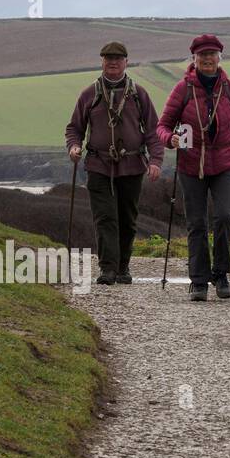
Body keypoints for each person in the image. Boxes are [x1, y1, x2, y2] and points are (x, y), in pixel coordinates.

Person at [157, 33, 230, 300]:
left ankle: (221, 275)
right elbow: (162, 126)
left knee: (225, 216)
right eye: (202, 55)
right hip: (191, 165)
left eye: (212, 55)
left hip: (225, 163)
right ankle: (199, 281)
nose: (208, 59)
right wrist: (171, 139)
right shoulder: (183, 89)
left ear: (219, 58)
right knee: (197, 222)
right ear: (194, 59)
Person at [65, 41, 163, 284]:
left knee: (127, 219)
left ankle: (123, 267)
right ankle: (107, 269)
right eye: (108, 58)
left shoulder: (139, 94)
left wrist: (156, 160)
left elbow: (153, 130)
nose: (113, 62)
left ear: (126, 62)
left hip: (131, 166)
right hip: (98, 165)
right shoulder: (89, 94)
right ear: (102, 62)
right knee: (105, 218)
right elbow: (74, 128)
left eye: (118, 58)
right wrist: (74, 147)